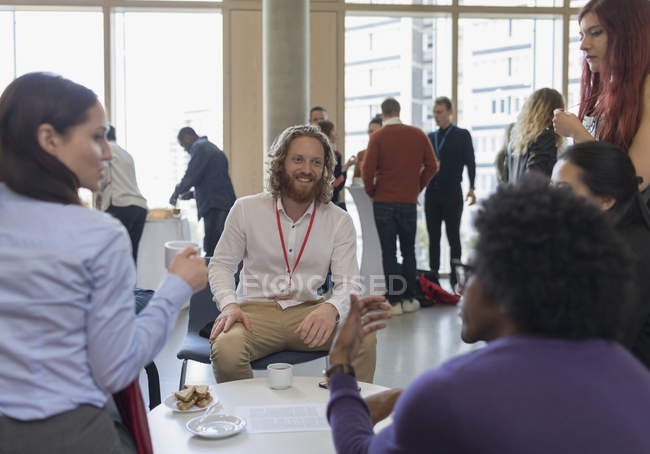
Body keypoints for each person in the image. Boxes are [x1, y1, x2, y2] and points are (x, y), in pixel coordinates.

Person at [325, 175, 650, 454]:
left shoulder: (448, 394)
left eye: (471, 271)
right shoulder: (637, 383)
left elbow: (359, 449)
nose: (463, 289)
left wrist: (341, 368)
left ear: (507, 291)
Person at [0, 72, 208, 454]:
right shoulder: (95, 235)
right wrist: (176, 286)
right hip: (69, 431)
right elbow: (116, 366)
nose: (108, 152)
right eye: (97, 137)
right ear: (49, 139)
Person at [207, 124, 380, 383]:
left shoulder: (339, 220)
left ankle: (348, 415)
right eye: (298, 159)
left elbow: (349, 283)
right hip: (254, 312)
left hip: (309, 310)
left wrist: (331, 307)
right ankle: (246, 418)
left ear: (324, 170)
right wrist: (230, 305)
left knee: (363, 335)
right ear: (280, 163)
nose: (307, 170)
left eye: (316, 162)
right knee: (227, 350)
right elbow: (220, 265)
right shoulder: (246, 209)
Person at [551, 141, 650, 369]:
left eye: (563, 190)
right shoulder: (594, 240)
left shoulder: (630, 255)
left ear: (606, 200)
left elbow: (600, 350)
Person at [553, 0, 650, 194]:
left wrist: (578, 134)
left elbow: (634, 180)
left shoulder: (646, 88)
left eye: (596, 33)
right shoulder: (606, 92)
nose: (583, 45)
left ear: (628, 34)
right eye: (582, 35)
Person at [362, 97, 438, 315]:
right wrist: (416, 187)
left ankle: (394, 300)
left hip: (383, 202)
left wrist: (372, 192)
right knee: (409, 251)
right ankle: (410, 298)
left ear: (382, 114)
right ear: (399, 110)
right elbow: (432, 166)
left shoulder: (377, 137)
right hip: (407, 202)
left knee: (389, 253)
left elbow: (367, 170)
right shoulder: (417, 134)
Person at [424, 96, 475, 288]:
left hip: (453, 193)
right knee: (433, 237)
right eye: (434, 112)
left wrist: (472, 187)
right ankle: (434, 276)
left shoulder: (462, 135)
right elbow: (422, 166)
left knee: (453, 236)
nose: (436, 116)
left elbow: (471, 162)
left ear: (450, 112)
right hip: (432, 194)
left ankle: (455, 278)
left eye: (440, 112)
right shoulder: (430, 137)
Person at [170, 127, 236, 256]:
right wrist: (193, 194)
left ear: (189, 136)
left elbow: (191, 175)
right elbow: (214, 182)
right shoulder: (211, 148)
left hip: (215, 207)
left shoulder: (200, 147)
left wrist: (176, 192)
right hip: (222, 205)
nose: (185, 149)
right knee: (220, 247)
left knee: (213, 249)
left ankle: (210, 276)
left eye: (184, 145)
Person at [94, 125, 148, 263]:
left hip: (120, 204)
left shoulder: (107, 150)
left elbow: (102, 177)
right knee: (131, 257)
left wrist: (97, 191)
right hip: (139, 206)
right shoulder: (126, 154)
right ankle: (130, 285)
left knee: (113, 255)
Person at [504, 88, 564, 183]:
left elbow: (505, 181)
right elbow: (536, 178)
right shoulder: (545, 138)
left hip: (514, 197)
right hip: (533, 196)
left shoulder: (514, 142)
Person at [318, 119, 356, 210]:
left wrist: (346, 166)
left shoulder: (317, 153)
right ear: (328, 133)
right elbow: (336, 183)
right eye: (333, 131)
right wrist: (346, 167)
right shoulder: (334, 154)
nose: (336, 134)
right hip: (330, 201)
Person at [352, 116, 382, 180]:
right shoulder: (361, 155)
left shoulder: (390, 155)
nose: (372, 134)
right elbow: (355, 181)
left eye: (376, 132)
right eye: (371, 131)